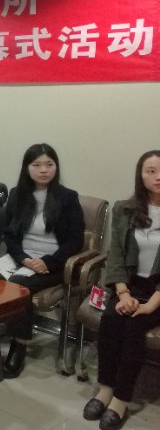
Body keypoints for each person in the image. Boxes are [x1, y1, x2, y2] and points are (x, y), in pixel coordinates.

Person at [0, 143, 84, 379]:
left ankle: (18, 346)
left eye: (49, 164)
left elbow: (75, 240)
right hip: (21, 259)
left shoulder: (68, 198)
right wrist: (23, 258)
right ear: (27, 168)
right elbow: (10, 235)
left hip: (53, 264)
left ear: (56, 167)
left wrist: (47, 262)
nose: (43, 170)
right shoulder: (17, 194)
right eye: (37, 165)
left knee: (19, 286)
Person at [82, 150, 160, 430]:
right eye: (151, 171)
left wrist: (150, 305)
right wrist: (124, 294)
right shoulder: (124, 209)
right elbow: (115, 254)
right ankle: (105, 388)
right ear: (141, 175)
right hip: (129, 283)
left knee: (134, 326)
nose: (158, 176)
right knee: (112, 319)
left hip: (157, 291)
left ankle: (121, 399)